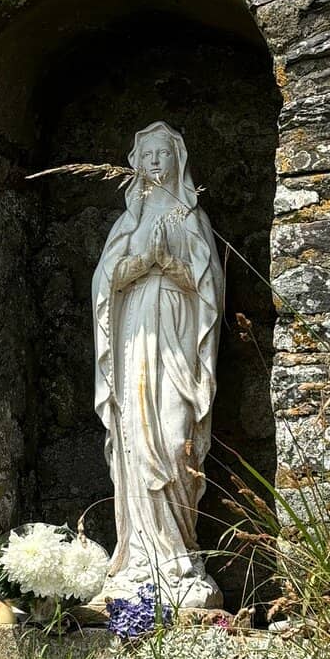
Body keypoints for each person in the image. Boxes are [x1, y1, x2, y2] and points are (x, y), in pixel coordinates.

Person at [92, 122, 224, 608]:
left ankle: (178, 554)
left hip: (177, 337)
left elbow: (211, 293)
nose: (153, 161)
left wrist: (170, 266)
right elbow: (103, 286)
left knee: (174, 439)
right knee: (135, 444)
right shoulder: (127, 221)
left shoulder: (191, 217)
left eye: (161, 153)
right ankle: (137, 560)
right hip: (133, 341)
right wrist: (140, 259)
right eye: (144, 152)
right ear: (135, 161)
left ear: (177, 160)